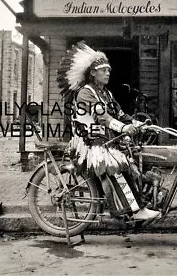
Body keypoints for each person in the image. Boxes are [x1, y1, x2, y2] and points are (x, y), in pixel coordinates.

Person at [60, 42, 160, 221]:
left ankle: (139, 201)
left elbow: (120, 114)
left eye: (108, 70)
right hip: (90, 143)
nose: (107, 73)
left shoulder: (106, 93)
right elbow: (103, 118)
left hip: (105, 140)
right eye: (103, 70)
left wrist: (139, 124)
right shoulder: (86, 93)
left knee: (133, 160)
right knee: (117, 167)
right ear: (92, 73)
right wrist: (123, 128)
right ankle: (135, 210)